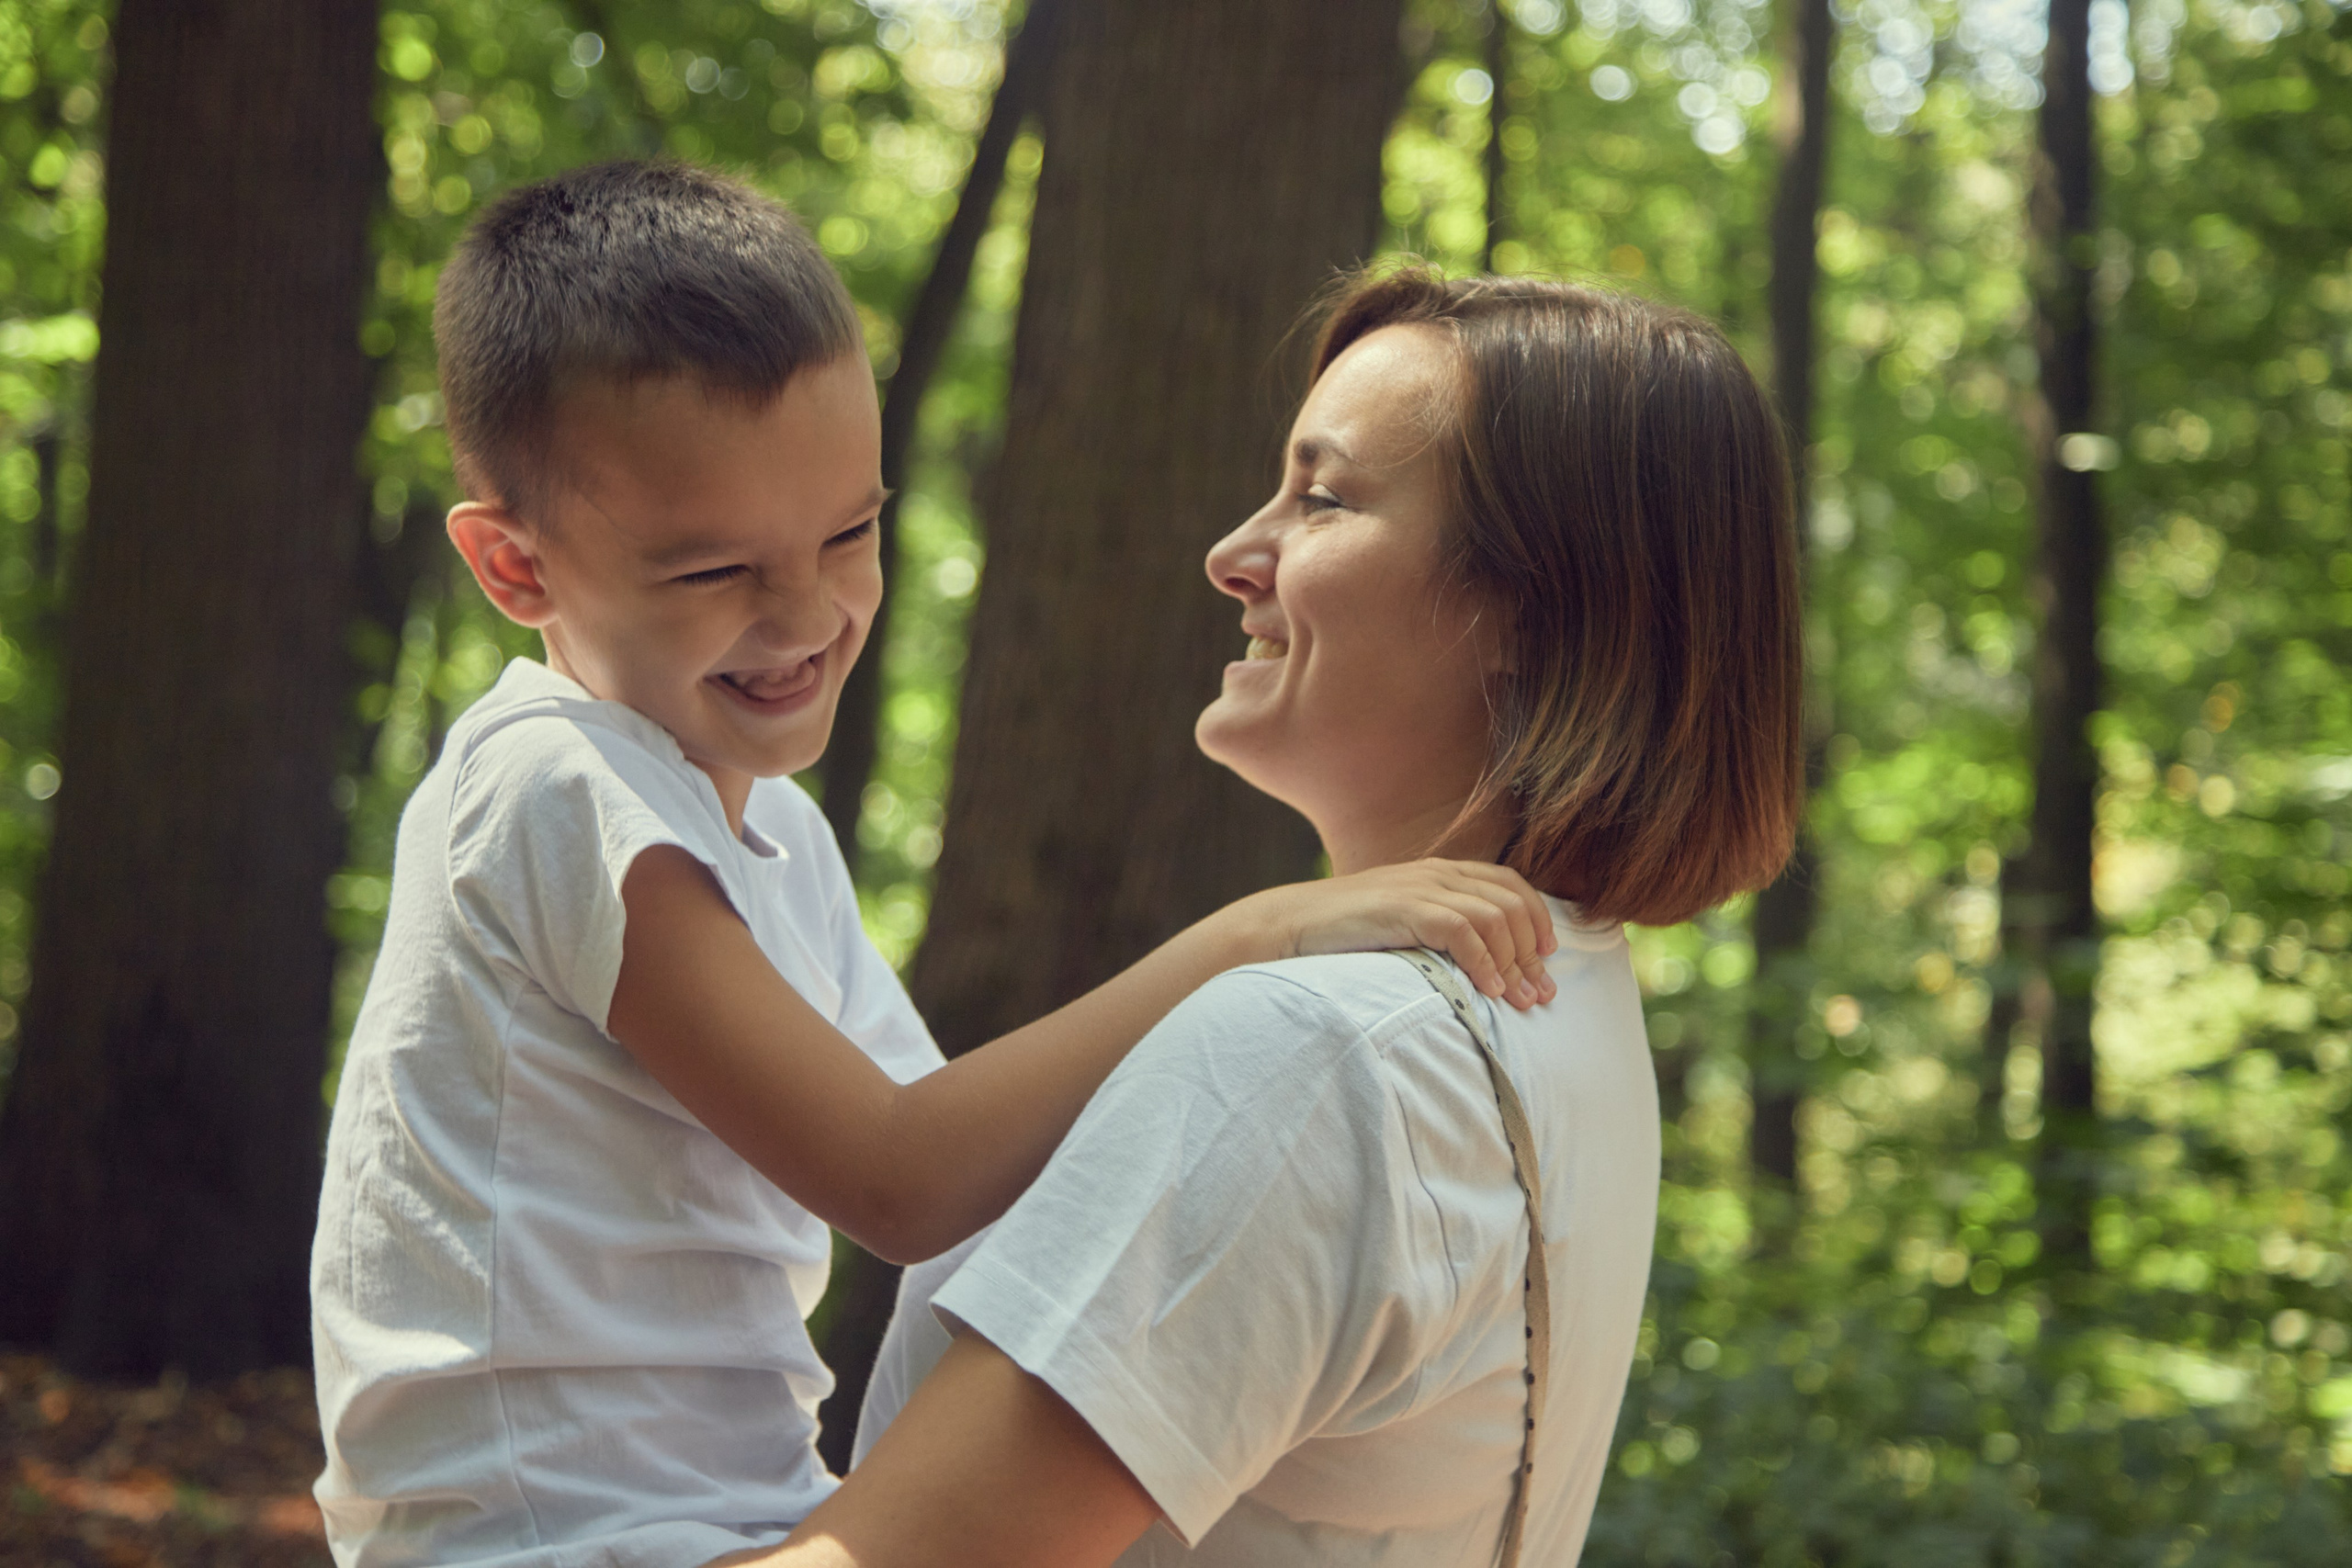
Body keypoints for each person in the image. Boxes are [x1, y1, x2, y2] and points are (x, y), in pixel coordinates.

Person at [309, 164, 1563, 1568]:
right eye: (713, 570)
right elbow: (897, 1183)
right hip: (546, 1542)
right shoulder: (550, 784)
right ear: (514, 570)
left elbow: (975, 1151)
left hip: (731, 1511)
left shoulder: (772, 831)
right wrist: (1263, 933)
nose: (809, 614)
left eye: (850, 533)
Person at [734, 268, 1803, 1568]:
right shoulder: (1567, 1005)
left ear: (1535, 605)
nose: (1233, 553)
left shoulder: (1316, 1051)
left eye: (1326, 498)